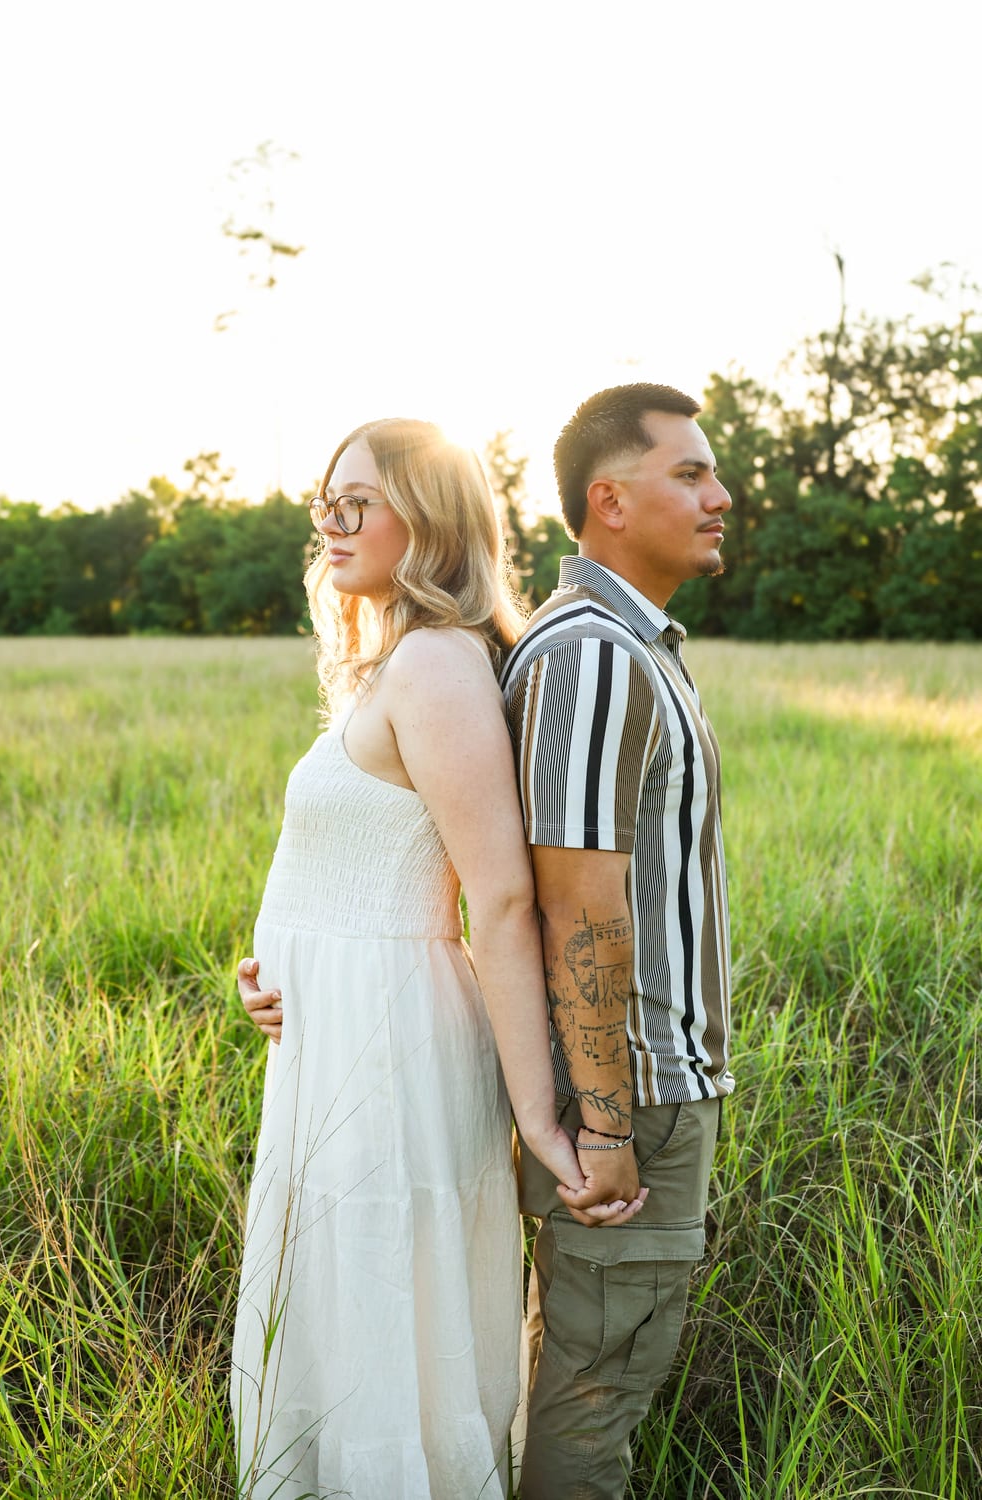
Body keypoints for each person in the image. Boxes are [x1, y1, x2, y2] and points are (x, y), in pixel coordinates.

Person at [230, 417, 645, 1500]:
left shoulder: (432, 664)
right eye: (325, 497)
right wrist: (277, 970)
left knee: (381, 1306)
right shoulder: (394, 663)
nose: (330, 519)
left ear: (430, 519)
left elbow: (500, 901)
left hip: (389, 1047)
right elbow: (351, 864)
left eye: (356, 499)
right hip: (337, 1035)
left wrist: (541, 1118)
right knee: (344, 1302)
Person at [501, 382, 735, 1499]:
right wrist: (604, 1126)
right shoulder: (596, 653)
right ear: (608, 500)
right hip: (629, 1092)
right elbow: (576, 911)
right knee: (596, 1395)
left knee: (594, 1376)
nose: (719, 495)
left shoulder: (622, 644)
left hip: (630, 1088)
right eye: (688, 473)